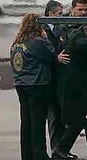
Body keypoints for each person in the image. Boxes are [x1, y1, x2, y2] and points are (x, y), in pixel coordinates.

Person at [52, 25, 87, 159]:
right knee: (82, 120)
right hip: (74, 89)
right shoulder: (77, 36)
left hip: (82, 86)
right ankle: (64, 149)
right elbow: (85, 44)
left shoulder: (84, 40)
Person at [10, 13, 55, 160]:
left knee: (26, 122)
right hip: (37, 84)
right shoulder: (36, 41)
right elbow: (51, 55)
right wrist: (46, 38)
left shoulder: (16, 43)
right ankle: (39, 155)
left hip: (21, 84)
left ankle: (27, 155)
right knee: (38, 122)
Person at [43, 0, 71, 156]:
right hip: (48, 78)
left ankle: (62, 149)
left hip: (61, 78)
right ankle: (55, 149)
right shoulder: (42, 29)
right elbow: (43, 49)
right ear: (50, 14)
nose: (62, 17)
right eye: (59, 14)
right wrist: (55, 58)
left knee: (62, 116)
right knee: (53, 116)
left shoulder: (62, 29)